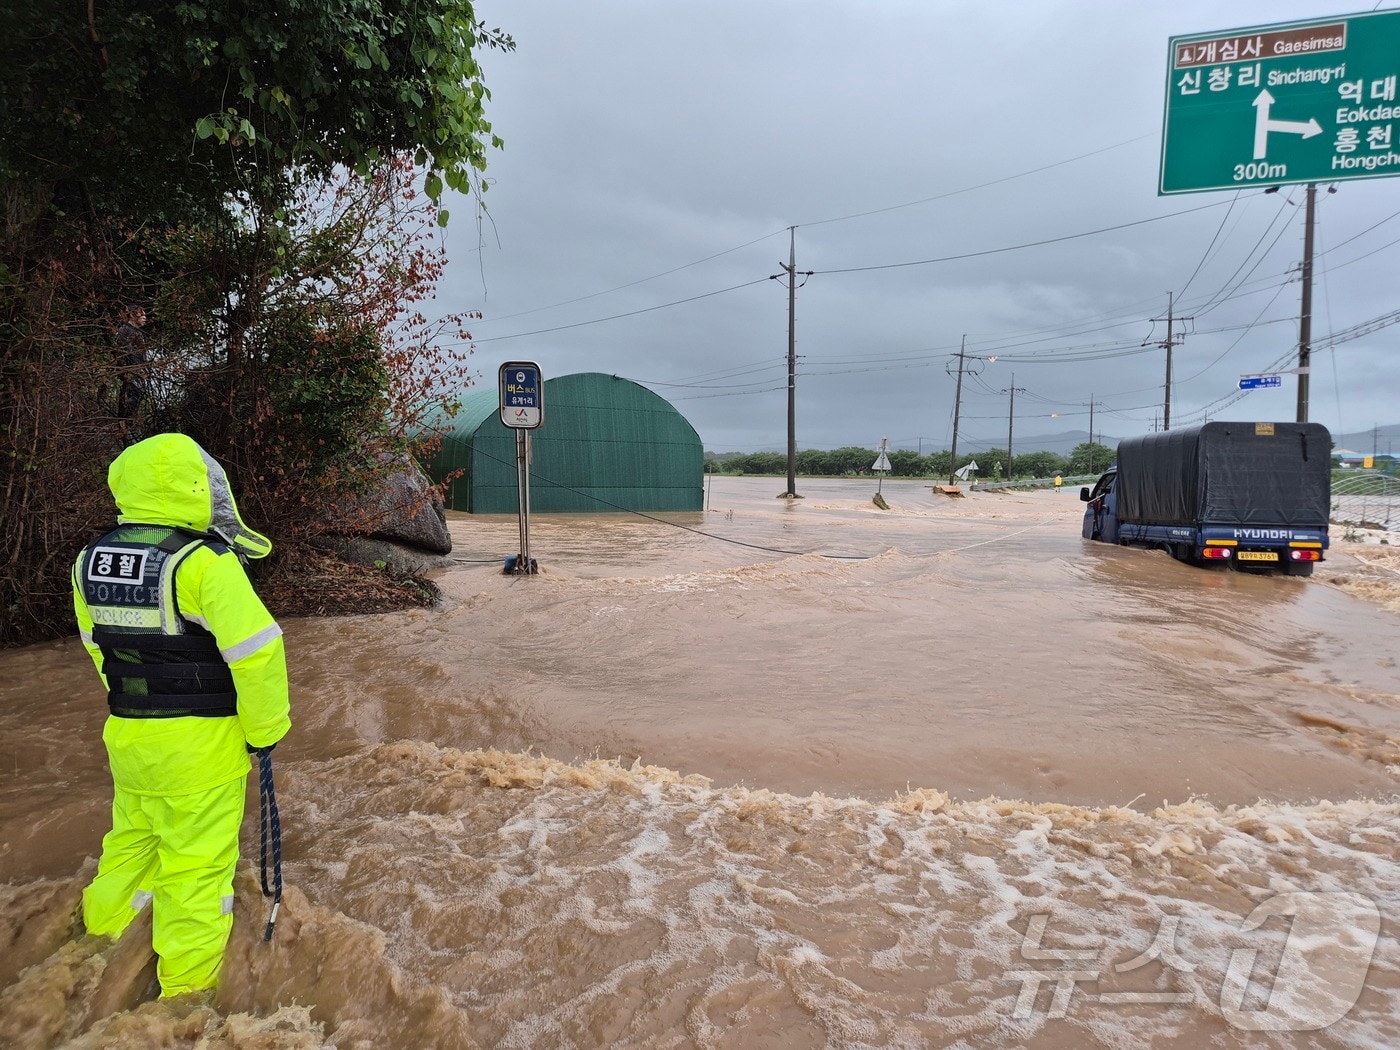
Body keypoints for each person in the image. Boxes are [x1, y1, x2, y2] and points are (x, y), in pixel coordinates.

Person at [71, 433, 290, 997]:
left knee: (128, 848)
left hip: (129, 738)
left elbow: (99, 649)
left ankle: (91, 947)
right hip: (201, 750)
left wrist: (137, 707)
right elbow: (258, 651)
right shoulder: (204, 563)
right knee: (196, 871)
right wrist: (265, 733)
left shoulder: (88, 561)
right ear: (200, 488)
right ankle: (183, 1000)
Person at [113, 306, 150, 422]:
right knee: (135, 393)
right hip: (131, 370)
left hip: (137, 370)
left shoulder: (136, 332)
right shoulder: (126, 330)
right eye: (141, 315)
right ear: (133, 316)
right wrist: (135, 369)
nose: (145, 317)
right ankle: (124, 421)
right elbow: (125, 353)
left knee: (137, 394)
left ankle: (127, 422)